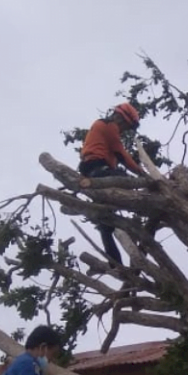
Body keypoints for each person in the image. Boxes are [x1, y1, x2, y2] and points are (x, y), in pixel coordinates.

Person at [78, 103, 144, 266]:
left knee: (106, 222)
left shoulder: (103, 126)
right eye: (126, 126)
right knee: (125, 179)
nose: (124, 130)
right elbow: (121, 154)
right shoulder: (108, 126)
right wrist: (142, 174)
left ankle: (115, 263)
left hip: (92, 170)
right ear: (121, 118)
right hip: (98, 168)